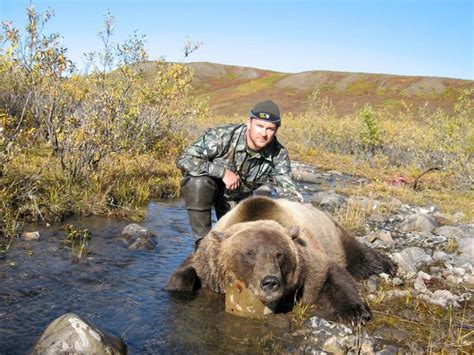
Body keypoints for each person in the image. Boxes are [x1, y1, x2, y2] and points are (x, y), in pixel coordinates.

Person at [176, 100, 303, 238]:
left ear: (276, 130)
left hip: (237, 202)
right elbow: (185, 159)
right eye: (259, 126)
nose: (264, 133)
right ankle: (202, 243)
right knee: (197, 182)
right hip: (209, 190)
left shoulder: (278, 154)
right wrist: (222, 172)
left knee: (244, 242)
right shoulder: (223, 136)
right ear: (249, 123)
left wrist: (299, 219)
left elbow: (288, 191)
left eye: (270, 129)